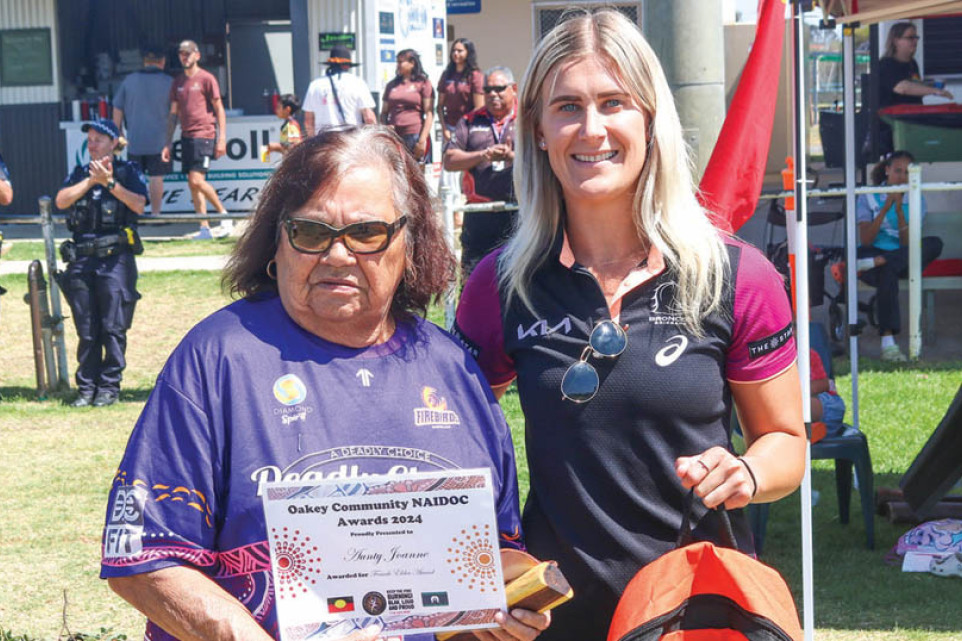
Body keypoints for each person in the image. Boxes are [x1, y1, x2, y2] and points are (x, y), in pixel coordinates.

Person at [100, 126, 550, 641]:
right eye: (311, 233)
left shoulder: (454, 371)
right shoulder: (217, 358)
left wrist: (507, 609)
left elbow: (496, 557)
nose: (337, 256)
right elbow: (143, 553)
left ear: (411, 243)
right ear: (278, 241)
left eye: (366, 233)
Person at [453, 11, 806, 641]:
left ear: (650, 119)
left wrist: (748, 473)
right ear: (537, 129)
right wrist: (490, 563)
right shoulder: (501, 284)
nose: (592, 129)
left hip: (697, 614)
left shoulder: (736, 275)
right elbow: (452, 445)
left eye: (613, 103)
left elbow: (786, 440)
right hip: (556, 621)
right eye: (567, 107)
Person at [54, 119, 147, 408]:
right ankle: (86, 388)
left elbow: (139, 204)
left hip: (114, 260)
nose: (92, 144)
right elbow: (61, 201)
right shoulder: (80, 173)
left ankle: (109, 388)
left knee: (113, 326)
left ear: (113, 143)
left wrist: (109, 183)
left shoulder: (127, 172)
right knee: (87, 327)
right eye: (90, 139)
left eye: (98, 139)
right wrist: (90, 182)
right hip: (82, 259)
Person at [855, 150, 943, 362]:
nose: (902, 177)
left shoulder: (916, 199)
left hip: (894, 258)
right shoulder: (868, 195)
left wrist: (900, 210)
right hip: (872, 253)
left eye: (906, 172)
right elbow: (866, 239)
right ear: (887, 171)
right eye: (897, 171)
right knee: (888, 272)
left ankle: (877, 262)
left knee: (934, 243)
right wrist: (886, 207)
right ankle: (888, 343)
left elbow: (907, 244)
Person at [443, 66, 518, 279]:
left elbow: (548, 157)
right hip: (479, 212)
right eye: (488, 90)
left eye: (499, 88)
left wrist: (514, 159)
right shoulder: (470, 120)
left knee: (519, 280)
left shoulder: (530, 117)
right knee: (473, 279)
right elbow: (449, 160)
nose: (493, 94)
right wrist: (483, 155)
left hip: (521, 210)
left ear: (513, 89)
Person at [161, 39, 231, 240]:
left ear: (197, 55)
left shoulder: (207, 79)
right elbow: (173, 114)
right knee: (193, 184)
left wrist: (222, 138)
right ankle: (204, 228)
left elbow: (219, 109)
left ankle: (225, 216)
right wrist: (167, 143)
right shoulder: (178, 82)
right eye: (182, 54)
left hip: (205, 135)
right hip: (186, 136)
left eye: (188, 53)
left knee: (196, 179)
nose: (184, 56)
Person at [113, 45, 173, 216]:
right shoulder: (169, 82)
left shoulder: (129, 81)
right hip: (160, 141)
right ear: (162, 62)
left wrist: (118, 133)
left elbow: (117, 108)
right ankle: (156, 214)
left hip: (135, 141)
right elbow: (177, 112)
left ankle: (136, 213)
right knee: (156, 177)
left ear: (145, 62)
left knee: (135, 178)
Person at [877, 22, 954, 155]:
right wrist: (934, 91)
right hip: (893, 126)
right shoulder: (886, 64)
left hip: (913, 123)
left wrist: (931, 86)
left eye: (916, 38)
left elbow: (914, 87)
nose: (915, 41)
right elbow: (902, 87)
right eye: (910, 38)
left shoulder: (912, 64)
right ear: (896, 40)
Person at [302, 45, 377, 136]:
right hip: (349, 140)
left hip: (323, 141)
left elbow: (308, 121)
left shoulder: (315, 85)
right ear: (347, 66)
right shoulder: (358, 83)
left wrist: (313, 141)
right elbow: (369, 118)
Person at [380, 49, 435, 163]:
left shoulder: (423, 83)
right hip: (395, 136)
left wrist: (422, 141)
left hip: (415, 135)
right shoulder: (392, 85)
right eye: (397, 62)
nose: (398, 65)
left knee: (417, 174)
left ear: (412, 63)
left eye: (401, 62)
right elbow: (384, 112)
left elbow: (429, 113)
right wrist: (386, 128)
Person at [437, 38, 484, 146]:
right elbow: (440, 106)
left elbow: (479, 107)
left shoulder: (475, 75)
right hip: (449, 127)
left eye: (460, 51)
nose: (455, 53)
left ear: (468, 53)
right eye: (453, 50)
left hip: (468, 127)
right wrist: (444, 129)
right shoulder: (447, 74)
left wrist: (463, 126)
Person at [261, 93, 302, 160]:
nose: (276, 110)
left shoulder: (292, 126)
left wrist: (276, 147)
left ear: (287, 109)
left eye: (278, 107)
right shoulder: (286, 125)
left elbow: (295, 148)